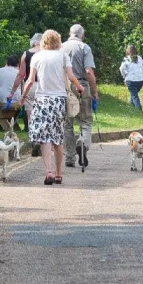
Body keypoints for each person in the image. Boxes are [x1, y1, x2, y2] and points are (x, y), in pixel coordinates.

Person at [22, 29, 84, 185]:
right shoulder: (62, 56)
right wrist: (79, 87)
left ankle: (48, 171)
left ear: (43, 41)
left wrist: (23, 97)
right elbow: (70, 76)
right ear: (58, 41)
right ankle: (58, 174)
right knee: (58, 137)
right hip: (59, 100)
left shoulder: (36, 56)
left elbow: (29, 81)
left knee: (45, 138)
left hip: (42, 100)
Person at [62, 23, 97, 167]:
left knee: (67, 124)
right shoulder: (84, 47)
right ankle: (82, 142)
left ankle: (69, 158)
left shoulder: (61, 47)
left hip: (64, 87)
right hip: (81, 85)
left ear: (70, 34)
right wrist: (95, 91)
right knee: (85, 121)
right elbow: (88, 71)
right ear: (82, 35)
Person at [0, 54, 21, 129]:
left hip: (2, 102)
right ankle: (12, 125)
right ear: (17, 63)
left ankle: (3, 125)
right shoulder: (19, 73)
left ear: (7, 62)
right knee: (21, 104)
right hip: (16, 102)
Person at [119, 45, 143, 112]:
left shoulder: (126, 59)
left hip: (130, 80)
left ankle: (139, 112)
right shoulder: (140, 58)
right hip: (141, 80)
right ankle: (131, 110)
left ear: (127, 51)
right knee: (133, 94)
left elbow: (121, 68)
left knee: (134, 96)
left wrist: (124, 76)